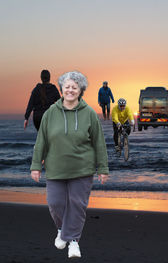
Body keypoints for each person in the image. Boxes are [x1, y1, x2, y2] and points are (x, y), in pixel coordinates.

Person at [30, 71, 109, 258]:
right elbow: (41, 140)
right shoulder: (50, 113)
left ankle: (73, 242)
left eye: (75, 87)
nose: (71, 90)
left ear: (81, 90)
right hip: (55, 168)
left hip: (82, 168)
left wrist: (103, 168)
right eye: (67, 87)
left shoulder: (89, 113)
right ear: (62, 89)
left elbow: (99, 142)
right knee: (55, 203)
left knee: (77, 204)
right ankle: (62, 230)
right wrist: (35, 165)